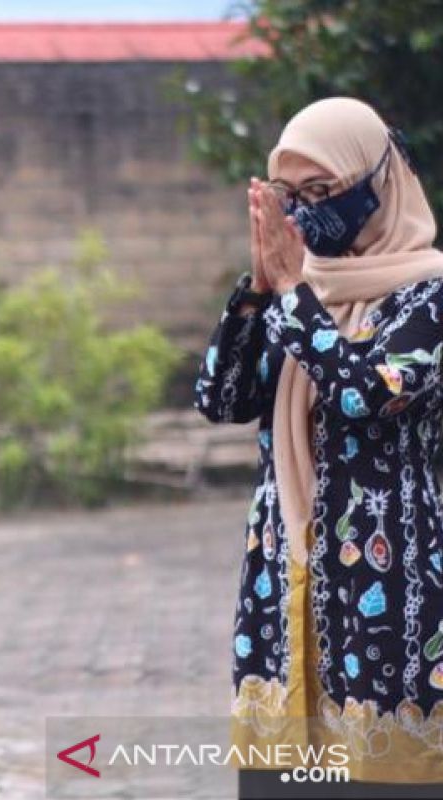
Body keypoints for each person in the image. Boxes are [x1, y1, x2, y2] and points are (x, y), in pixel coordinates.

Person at [195, 97, 443, 798]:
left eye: (323, 192)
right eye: (289, 197)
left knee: (375, 778)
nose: (303, 215)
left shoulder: (428, 297)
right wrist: (260, 291)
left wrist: (295, 296)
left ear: (378, 183)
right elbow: (221, 398)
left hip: (390, 587)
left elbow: (367, 394)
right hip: (284, 573)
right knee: (285, 781)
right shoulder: (299, 298)